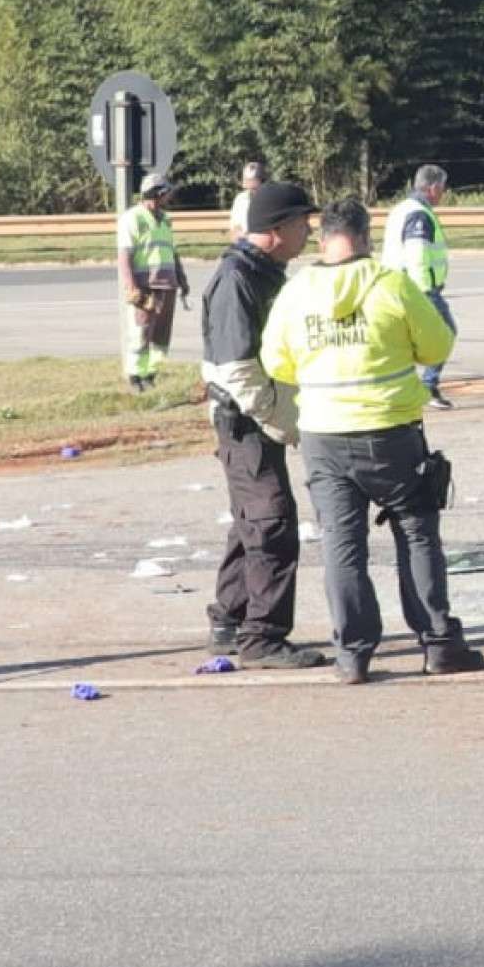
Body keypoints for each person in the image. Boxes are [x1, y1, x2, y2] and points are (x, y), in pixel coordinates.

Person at [261, 196, 484, 684]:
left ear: (323, 239)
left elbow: (276, 362)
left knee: (343, 545)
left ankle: (354, 656)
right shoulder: (391, 284)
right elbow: (438, 345)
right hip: (391, 433)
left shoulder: (297, 293)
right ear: (365, 236)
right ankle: (439, 643)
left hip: (323, 434)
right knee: (417, 533)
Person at [199, 179, 326, 668]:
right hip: (246, 420)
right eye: (302, 223)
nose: (308, 232)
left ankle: (229, 618)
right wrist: (281, 420)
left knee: (251, 520)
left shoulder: (264, 271)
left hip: (255, 417)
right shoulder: (238, 278)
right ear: (276, 229)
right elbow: (236, 369)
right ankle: (263, 636)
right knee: (272, 523)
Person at [385, 164, 455, 409]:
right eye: (442, 188)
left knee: (403, 341)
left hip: (397, 285)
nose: (443, 193)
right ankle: (428, 385)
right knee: (446, 331)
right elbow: (417, 253)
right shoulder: (419, 214)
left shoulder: (403, 208)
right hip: (417, 286)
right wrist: (425, 292)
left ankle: (403, 386)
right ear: (433, 187)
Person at [114, 173, 188, 393]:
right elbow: (124, 256)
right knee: (141, 331)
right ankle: (136, 375)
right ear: (158, 193)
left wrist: (182, 279)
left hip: (167, 284)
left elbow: (172, 252)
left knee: (161, 335)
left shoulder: (166, 219)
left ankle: (151, 374)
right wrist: (131, 286)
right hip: (145, 285)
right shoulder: (132, 218)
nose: (169, 196)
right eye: (166, 192)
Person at [227, 160, 267, 240]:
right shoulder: (240, 199)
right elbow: (235, 226)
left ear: (261, 180)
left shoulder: (269, 198)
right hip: (244, 242)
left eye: (252, 180)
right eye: (247, 180)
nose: (248, 184)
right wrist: (240, 238)